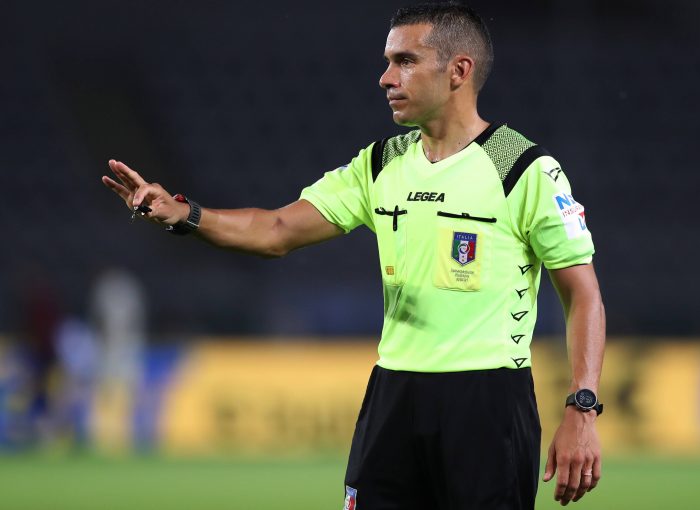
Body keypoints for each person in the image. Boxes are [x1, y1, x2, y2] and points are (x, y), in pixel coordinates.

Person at [102, 3, 605, 508]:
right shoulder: (382, 163)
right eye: (388, 62)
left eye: (405, 61)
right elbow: (276, 229)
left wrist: (582, 407)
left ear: (458, 70)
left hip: (487, 403)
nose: (386, 78)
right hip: (393, 396)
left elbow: (583, 296)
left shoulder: (524, 170)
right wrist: (185, 214)